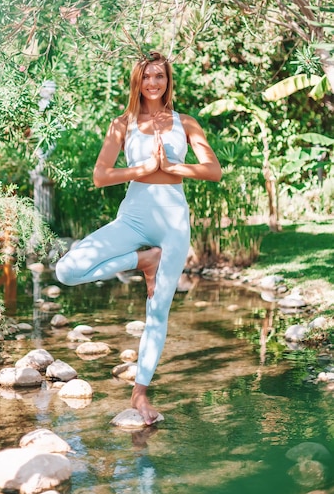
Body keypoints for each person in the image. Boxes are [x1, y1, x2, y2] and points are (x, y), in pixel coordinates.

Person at [55, 51, 222, 425]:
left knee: (158, 312)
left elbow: (214, 171)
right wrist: (142, 169)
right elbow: (100, 176)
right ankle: (144, 260)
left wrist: (174, 167)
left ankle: (140, 394)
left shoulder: (186, 122)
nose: (153, 83)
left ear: (168, 80)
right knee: (68, 270)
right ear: (137, 81)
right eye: (146, 77)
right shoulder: (122, 124)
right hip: (132, 218)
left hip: (173, 222)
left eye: (159, 76)